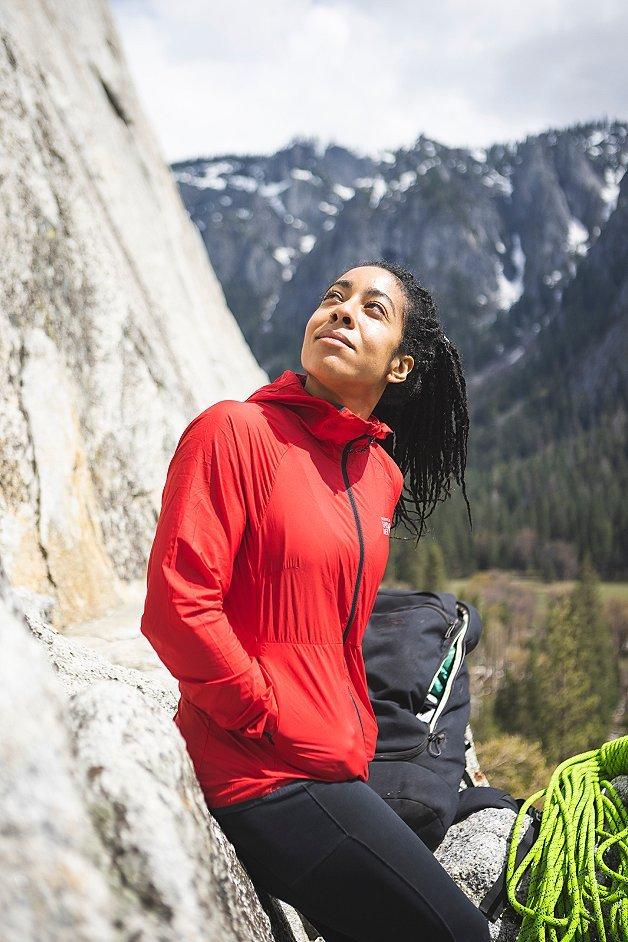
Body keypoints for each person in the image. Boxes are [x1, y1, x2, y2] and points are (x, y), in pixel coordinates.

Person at [140, 259, 487, 942]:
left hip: (337, 762)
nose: (342, 311)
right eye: (334, 297)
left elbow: (337, 627)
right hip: (260, 772)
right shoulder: (235, 431)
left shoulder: (379, 475)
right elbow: (178, 606)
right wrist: (263, 711)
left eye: (372, 308)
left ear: (400, 367)